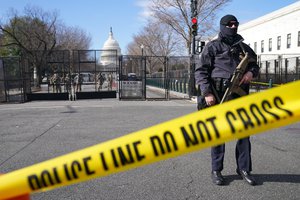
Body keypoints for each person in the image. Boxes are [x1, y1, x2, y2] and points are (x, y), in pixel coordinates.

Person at [195, 14, 259, 186]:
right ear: (222, 26)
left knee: (244, 133)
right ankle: (216, 170)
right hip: (217, 95)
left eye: (235, 24)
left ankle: (244, 169)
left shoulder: (244, 48)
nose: (232, 27)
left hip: (239, 96)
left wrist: (251, 72)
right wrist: (207, 93)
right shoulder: (212, 47)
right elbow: (201, 71)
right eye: (229, 24)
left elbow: (254, 63)